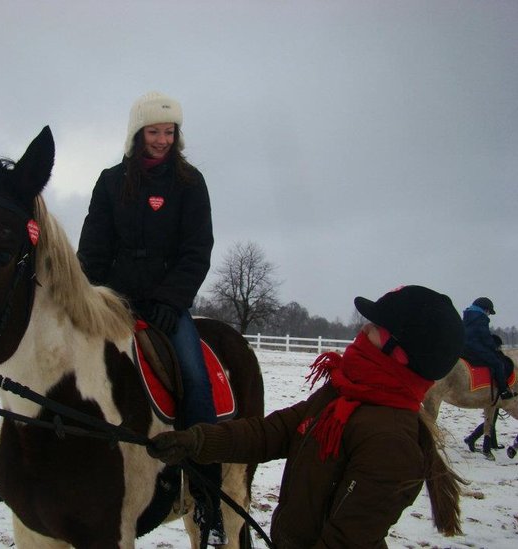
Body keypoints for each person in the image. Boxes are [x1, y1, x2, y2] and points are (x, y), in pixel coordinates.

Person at [147, 285, 466, 548]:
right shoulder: (342, 394)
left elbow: (343, 542)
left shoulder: (390, 444)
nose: (363, 328)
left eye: (377, 327)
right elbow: (271, 432)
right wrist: (196, 440)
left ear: (400, 354)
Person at [76, 91, 224, 544]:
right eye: (154, 131)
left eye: (169, 131)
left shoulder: (190, 182)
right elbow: (93, 247)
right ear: (137, 133)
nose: (162, 139)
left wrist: (171, 297)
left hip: (167, 305)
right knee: (62, 360)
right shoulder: (110, 181)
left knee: (197, 383)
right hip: (113, 301)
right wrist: (94, 295)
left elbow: (197, 250)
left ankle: (207, 496)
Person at [462, 297, 515, 400]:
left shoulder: (467, 316)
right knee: (498, 364)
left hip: (464, 349)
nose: (488, 314)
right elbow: (485, 337)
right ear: (485, 309)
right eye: (489, 312)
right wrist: (494, 346)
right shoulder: (480, 318)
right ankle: (503, 391)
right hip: (476, 348)